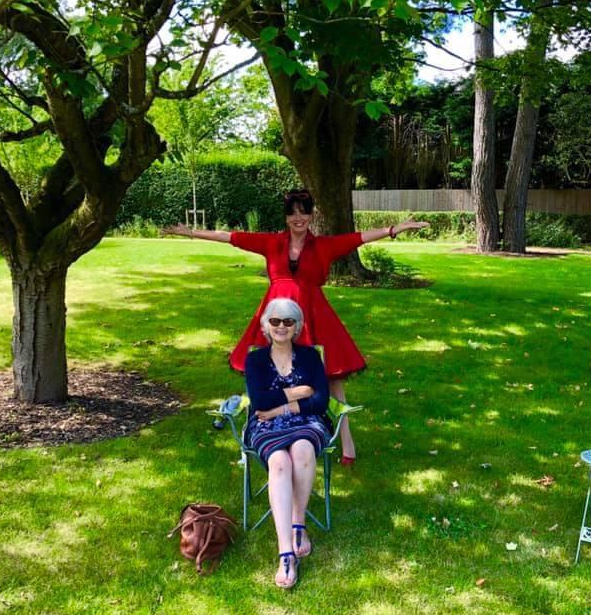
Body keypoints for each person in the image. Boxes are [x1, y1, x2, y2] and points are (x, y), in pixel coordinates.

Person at [164, 189, 429, 464]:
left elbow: (357, 238)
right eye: (292, 213)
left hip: (314, 317)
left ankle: (347, 444)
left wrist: (394, 229)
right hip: (276, 317)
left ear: (312, 215)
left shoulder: (323, 246)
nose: (298, 218)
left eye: (303, 212)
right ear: (286, 217)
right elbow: (231, 237)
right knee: (268, 373)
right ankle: (263, 434)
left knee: (332, 377)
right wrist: (190, 233)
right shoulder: (271, 243)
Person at [244, 298, 330, 589]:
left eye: (288, 321)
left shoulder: (310, 356)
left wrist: (280, 408)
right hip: (265, 425)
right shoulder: (256, 360)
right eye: (275, 321)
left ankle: (298, 525)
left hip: (307, 422)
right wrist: (298, 391)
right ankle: (286, 554)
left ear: (297, 326)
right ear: (266, 326)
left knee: (303, 449)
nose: (281, 326)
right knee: (279, 462)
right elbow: (259, 402)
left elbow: (320, 401)